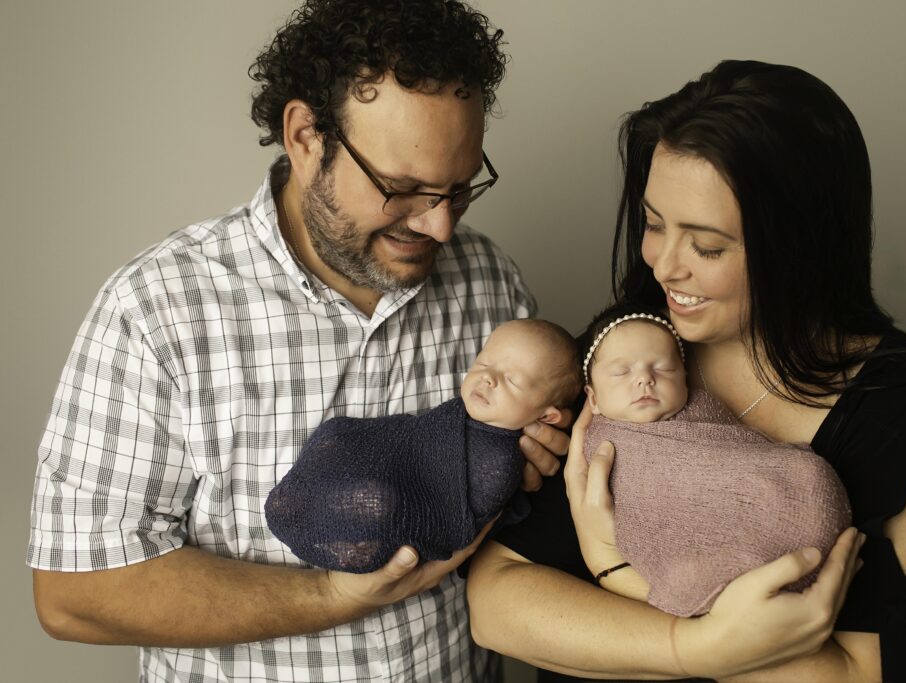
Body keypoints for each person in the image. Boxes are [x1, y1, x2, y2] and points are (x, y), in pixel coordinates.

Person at [26, 2, 570, 681]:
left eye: (459, 190)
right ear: (305, 134)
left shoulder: (492, 285)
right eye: (401, 189)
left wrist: (528, 470)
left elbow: (521, 537)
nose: (439, 227)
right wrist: (333, 595)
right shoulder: (157, 310)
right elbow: (75, 593)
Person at [469, 60, 906, 683]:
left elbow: (868, 673)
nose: (664, 266)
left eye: (707, 246)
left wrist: (613, 572)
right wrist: (697, 646)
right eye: (655, 225)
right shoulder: (629, 349)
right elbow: (496, 603)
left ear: (801, 251)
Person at [579, 305, 850, 618]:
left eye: (663, 368)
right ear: (594, 398)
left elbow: (742, 452)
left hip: (764, 495)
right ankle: (730, 576)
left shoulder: (704, 408)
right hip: (691, 543)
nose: (644, 379)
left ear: (684, 377)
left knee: (806, 473)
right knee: (688, 575)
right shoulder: (599, 443)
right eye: (621, 372)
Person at [266, 318, 581, 573]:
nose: (488, 379)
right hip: (401, 453)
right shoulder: (461, 414)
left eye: (512, 380)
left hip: (412, 503)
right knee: (339, 435)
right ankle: (302, 501)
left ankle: (313, 517)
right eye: (484, 363)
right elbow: (411, 437)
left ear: (547, 416)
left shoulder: (502, 461)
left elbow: (450, 515)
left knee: (380, 504)